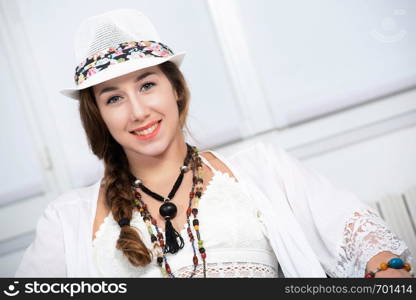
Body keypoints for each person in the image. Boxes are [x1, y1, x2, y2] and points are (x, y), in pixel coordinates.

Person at [15, 8, 413, 278]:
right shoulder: (65, 219)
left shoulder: (262, 169)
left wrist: (385, 268)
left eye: (147, 84)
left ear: (176, 90)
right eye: (113, 97)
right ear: (98, 116)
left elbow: (364, 240)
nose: (137, 111)